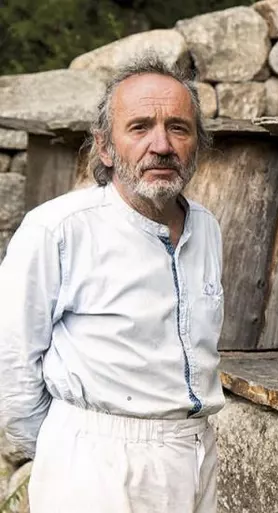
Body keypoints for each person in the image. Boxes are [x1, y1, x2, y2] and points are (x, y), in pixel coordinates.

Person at [0, 56, 225, 512]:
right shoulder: (58, 229)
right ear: (105, 147)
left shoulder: (207, 228)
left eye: (178, 128)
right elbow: (12, 360)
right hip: (96, 463)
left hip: (196, 454)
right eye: (139, 127)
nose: (161, 145)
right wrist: (70, 451)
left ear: (197, 144)